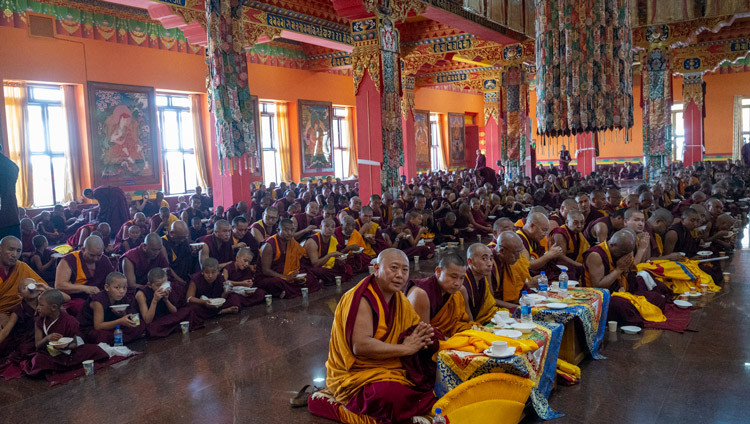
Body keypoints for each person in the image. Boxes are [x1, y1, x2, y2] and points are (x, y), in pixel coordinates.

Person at [309, 249, 438, 424]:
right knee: (390, 395)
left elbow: (413, 330)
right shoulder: (361, 298)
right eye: (393, 268)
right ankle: (329, 404)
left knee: (429, 374)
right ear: (376, 268)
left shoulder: (400, 300)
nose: (399, 275)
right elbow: (360, 346)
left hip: (391, 366)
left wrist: (426, 339)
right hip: (356, 374)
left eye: (405, 270)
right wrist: (405, 348)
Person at [583, 230, 666, 326]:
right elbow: (597, 286)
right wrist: (619, 269)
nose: (625, 255)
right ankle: (638, 315)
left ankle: (638, 313)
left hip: (622, 292)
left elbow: (630, 273)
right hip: (598, 298)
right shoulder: (596, 255)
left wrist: (626, 270)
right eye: (623, 252)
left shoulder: (624, 250)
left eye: (629, 252)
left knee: (657, 298)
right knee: (622, 306)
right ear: (612, 244)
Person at [23, 289, 108, 377]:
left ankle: (61, 368)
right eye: (38, 304)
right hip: (50, 354)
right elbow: (37, 345)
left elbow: (74, 344)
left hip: (69, 354)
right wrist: (47, 338)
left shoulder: (69, 321)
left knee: (96, 350)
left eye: (41, 305)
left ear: (53, 307)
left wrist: (66, 346)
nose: (37, 308)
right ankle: (66, 367)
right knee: (38, 360)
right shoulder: (39, 321)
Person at [406, 253, 472, 339]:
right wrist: (455, 341)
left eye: (461, 278)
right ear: (438, 271)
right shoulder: (420, 294)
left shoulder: (459, 292)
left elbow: (467, 322)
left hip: (452, 339)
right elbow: (424, 337)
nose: (457, 283)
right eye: (453, 276)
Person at [256, 219, 321, 299]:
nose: (290, 233)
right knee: (277, 282)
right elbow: (266, 271)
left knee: (309, 277)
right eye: (286, 230)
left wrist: (294, 275)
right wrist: (285, 277)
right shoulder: (269, 245)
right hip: (268, 277)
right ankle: (284, 291)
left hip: (286, 274)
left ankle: (284, 292)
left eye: (292, 230)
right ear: (278, 230)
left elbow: (297, 261)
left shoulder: (291, 242)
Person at [54, 235, 115, 316]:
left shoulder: (104, 259)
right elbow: (59, 285)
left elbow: (113, 279)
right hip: (75, 298)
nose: (96, 259)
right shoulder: (69, 260)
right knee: (80, 307)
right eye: (92, 255)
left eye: (99, 255)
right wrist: (85, 288)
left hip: (98, 297)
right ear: (83, 249)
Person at [0, 278, 58, 361]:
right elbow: (5, 331)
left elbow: (66, 298)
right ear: (20, 295)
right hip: (29, 338)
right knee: (25, 350)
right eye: (25, 288)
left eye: (32, 285)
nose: (30, 288)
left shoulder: (46, 302)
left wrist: (47, 288)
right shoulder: (19, 309)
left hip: (48, 332)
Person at [79, 272, 145, 344]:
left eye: (124, 287)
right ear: (107, 287)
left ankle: (119, 339)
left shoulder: (124, 298)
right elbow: (98, 326)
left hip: (113, 326)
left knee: (140, 325)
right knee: (100, 336)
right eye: (117, 287)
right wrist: (120, 321)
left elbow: (135, 318)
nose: (122, 291)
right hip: (92, 328)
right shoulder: (98, 301)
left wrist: (125, 315)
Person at [135, 267, 198, 338]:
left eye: (164, 284)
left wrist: (166, 300)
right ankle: (171, 327)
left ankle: (170, 328)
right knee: (151, 328)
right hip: (154, 321)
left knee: (188, 310)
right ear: (149, 285)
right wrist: (154, 301)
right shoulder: (141, 294)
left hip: (165, 317)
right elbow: (147, 320)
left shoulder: (167, 288)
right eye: (158, 285)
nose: (162, 287)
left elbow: (175, 311)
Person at [0, 237, 43, 327]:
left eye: (18, 251)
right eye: (11, 249)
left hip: (23, 309)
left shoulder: (21, 267)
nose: (14, 255)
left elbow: (41, 288)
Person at [303, 218, 351, 286]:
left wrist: (339, 259)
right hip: (309, 266)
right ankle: (322, 280)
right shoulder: (312, 241)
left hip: (324, 265)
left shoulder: (333, 239)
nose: (330, 229)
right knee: (321, 272)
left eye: (332, 227)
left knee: (345, 267)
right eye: (327, 226)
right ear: (320, 227)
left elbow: (333, 257)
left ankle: (323, 280)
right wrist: (330, 255)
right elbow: (315, 264)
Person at [463, 243, 502, 324]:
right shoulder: (463, 282)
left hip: (484, 319)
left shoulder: (483, 277)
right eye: (484, 259)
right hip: (468, 324)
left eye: (491, 259)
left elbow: (490, 306)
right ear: (470, 261)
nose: (489, 263)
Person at [492, 231, 532, 308]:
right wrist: (517, 307)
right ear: (502, 251)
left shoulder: (507, 260)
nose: (518, 257)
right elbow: (489, 300)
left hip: (510, 303)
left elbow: (520, 287)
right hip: (497, 310)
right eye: (515, 253)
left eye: (519, 253)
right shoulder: (489, 265)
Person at [548, 210, 590, 279]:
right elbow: (560, 256)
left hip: (571, 265)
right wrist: (579, 265)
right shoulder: (560, 233)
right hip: (559, 267)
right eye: (575, 223)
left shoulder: (577, 233)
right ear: (567, 222)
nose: (579, 226)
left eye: (582, 223)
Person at [0, 152, 21, 240]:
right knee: (14, 249)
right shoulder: (11, 166)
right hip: (11, 217)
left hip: (6, 219)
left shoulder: (6, 165)